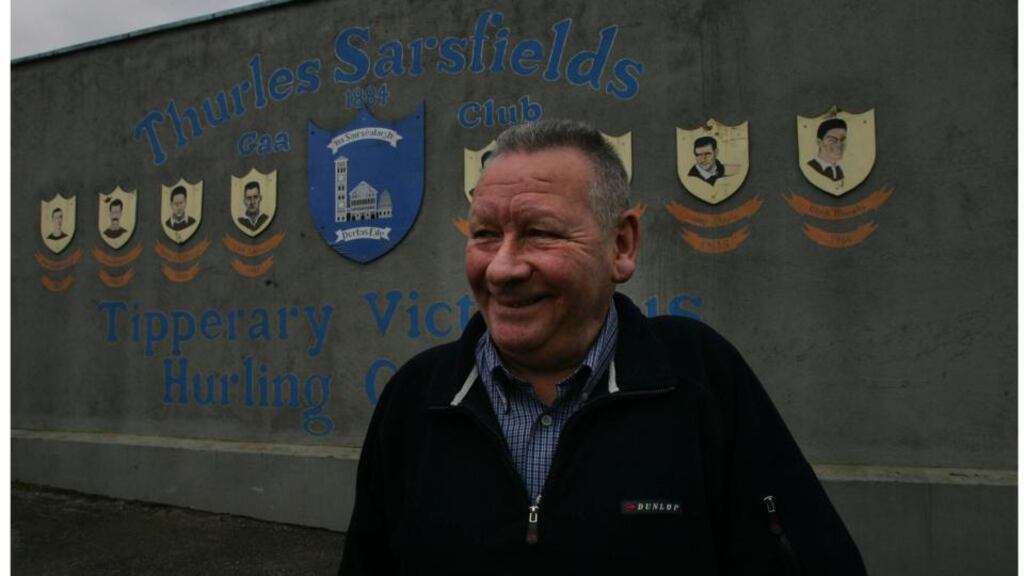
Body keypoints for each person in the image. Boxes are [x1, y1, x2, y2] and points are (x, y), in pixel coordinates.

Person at [340, 120, 865, 575]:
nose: (501, 268)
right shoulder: (416, 398)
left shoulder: (701, 378)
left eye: (540, 233)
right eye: (484, 235)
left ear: (621, 245)